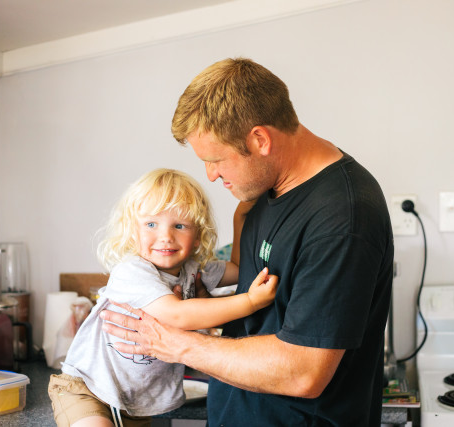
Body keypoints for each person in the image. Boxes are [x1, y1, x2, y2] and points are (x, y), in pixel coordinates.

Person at [101, 58, 394, 426]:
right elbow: (263, 317)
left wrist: (177, 344)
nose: (210, 175)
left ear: (260, 139)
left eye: (215, 160)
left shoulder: (342, 216)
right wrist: (205, 311)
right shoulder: (263, 194)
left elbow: (303, 371)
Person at [48, 168, 278, 427]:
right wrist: (250, 302)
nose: (166, 237)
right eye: (151, 224)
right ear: (132, 231)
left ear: (197, 237)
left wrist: (240, 216)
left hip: (134, 404)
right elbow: (177, 315)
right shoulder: (132, 271)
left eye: (179, 226)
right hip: (87, 388)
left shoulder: (193, 270)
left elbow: (238, 267)